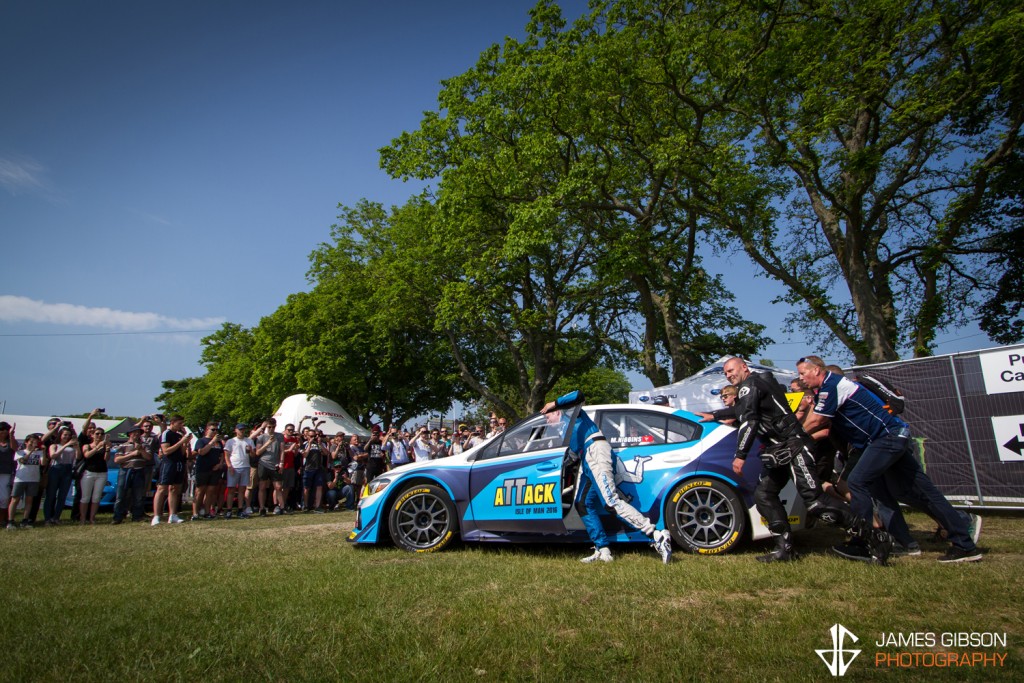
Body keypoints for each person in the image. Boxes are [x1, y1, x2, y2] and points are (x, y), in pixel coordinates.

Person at [797, 356, 983, 563]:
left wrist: (793, 436)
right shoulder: (830, 386)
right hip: (889, 438)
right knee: (921, 492)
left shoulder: (831, 385)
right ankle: (964, 544)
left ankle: (865, 543)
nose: (800, 378)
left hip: (886, 438)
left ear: (816, 370)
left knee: (857, 482)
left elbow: (818, 420)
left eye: (803, 373)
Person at [711, 357, 889, 563]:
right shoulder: (760, 383)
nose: (728, 375)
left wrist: (740, 455)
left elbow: (750, 420)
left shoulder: (749, 385)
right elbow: (743, 410)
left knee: (815, 503)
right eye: (725, 373)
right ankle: (784, 549)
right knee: (764, 495)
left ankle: (875, 538)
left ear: (744, 367)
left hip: (794, 447)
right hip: (778, 450)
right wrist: (714, 414)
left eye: (731, 370)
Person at [540, 390, 672, 564]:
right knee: (583, 504)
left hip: (596, 451)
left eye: (548, 416)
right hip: (587, 459)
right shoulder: (564, 431)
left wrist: (554, 403)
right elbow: (572, 456)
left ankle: (656, 535)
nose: (547, 420)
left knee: (611, 502)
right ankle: (602, 549)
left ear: (556, 412)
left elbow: (579, 395)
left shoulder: (569, 412)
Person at [152, 415, 193, 525]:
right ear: (173, 422)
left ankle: (173, 514)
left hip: (179, 462)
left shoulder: (179, 435)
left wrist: (185, 441)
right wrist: (180, 442)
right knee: (162, 488)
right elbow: (166, 451)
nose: (181, 426)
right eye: (179, 423)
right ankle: (156, 516)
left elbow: (182, 452)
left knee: (175, 489)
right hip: (168, 463)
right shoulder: (166, 433)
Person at [112, 426, 153, 522]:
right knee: (121, 494)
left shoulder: (145, 445)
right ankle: (118, 516)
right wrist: (132, 454)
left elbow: (148, 458)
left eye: (139, 432)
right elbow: (117, 459)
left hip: (139, 470)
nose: (137, 434)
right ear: (129, 434)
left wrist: (141, 450)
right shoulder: (123, 446)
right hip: (125, 470)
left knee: (138, 495)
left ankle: (137, 516)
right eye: (134, 432)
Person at [8, 432, 48, 529]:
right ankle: (10, 521)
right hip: (20, 479)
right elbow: (23, 461)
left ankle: (25, 520)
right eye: (31, 442)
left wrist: (43, 451)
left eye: (35, 442)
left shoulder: (39, 453)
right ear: (26, 442)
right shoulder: (20, 452)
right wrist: (31, 451)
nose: (33, 444)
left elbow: (43, 463)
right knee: (15, 499)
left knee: (29, 500)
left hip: (33, 479)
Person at [44, 425, 80, 525]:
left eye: (69, 435)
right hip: (56, 468)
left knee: (62, 496)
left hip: (67, 469)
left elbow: (78, 457)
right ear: (60, 435)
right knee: (51, 495)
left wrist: (76, 447)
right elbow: (53, 456)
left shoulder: (72, 446)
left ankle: (56, 517)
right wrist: (65, 445)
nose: (67, 437)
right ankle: (48, 518)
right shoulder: (54, 445)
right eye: (65, 435)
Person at [192, 422, 226, 520]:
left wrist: (220, 464)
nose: (215, 431)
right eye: (213, 429)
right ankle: (195, 513)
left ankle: (207, 512)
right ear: (207, 430)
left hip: (214, 470)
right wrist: (211, 442)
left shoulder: (219, 443)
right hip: (202, 469)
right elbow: (201, 452)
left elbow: (222, 454)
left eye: (216, 430)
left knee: (210, 491)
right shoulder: (201, 441)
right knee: (199, 491)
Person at [79, 427, 110, 524]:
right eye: (97, 433)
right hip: (89, 473)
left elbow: (106, 459)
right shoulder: (86, 445)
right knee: (85, 497)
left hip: (102, 473)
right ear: (92, 435)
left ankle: (92, 518)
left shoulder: (105, 446)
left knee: (96, 497)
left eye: (101, 434)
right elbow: (87, 455)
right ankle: (83, 518)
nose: (99, 435)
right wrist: (97, 447)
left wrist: (107, 449)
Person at [254, 419, 285, 516]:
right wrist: (268, 443)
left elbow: (282, 450)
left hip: (275, 464)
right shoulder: (261, 437)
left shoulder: (280, 436)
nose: (271, 429)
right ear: (266, 427)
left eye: (273, 427)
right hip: (263, 463)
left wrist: (281, 463)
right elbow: (258, 452)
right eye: (269, 427)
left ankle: (281, 507)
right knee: (262, 486)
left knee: (278, 487)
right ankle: (262, 508)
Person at [223, 424, 254, 518]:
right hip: (234, 466)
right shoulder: (231, 441)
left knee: (242, 489)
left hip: (245, 466)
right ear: (236, 430)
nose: (242, 431)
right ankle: (229, 510)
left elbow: (253, 455)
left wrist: (251, 450)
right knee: (231, 489)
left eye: (243, 429)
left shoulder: (249, 441)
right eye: (240, 429)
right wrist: (229, 466)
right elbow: (226, 454)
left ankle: (240, 509)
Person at [302, 429, 327, 513]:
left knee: (319, 486)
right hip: (308, 468)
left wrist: (320, 444)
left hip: (318, 468)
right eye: (311, 436)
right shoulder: (305, 444)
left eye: (315, 436)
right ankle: (305, 505)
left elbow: (326, 453)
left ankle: (317, 506)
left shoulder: (320, 444)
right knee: (306, 488)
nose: (314, 438)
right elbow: (305, 455)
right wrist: (309, 444)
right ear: (307, 436)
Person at [0, 422, 17, 528]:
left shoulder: (10, 441)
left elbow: (15, 449)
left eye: (7, 430)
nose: (4, 432)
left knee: (5, 497)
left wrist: (11, 436)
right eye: (2, 430)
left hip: (6, 473)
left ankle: (2, 520)